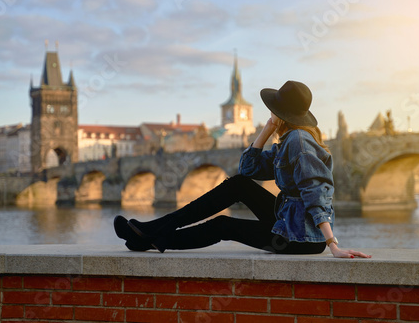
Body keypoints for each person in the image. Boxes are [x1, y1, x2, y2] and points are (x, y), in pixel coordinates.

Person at [114, 80, 371, 259]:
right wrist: (266, 131)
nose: (270, 111)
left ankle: (151, 236)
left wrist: (333, 245)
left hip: (301, 238)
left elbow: (315, 191)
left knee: (224, 225)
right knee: (238, 184)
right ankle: (152, 232)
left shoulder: (299, 141)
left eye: (273, 109)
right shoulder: (288, 141)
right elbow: (247, 169)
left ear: (281, 111)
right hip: (288, 222)